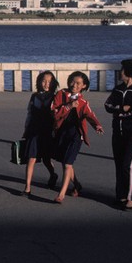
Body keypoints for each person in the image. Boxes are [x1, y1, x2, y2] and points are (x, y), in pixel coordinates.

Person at [51, 71, 104, 204]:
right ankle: (77, 185)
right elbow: (54, 113)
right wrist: (68, 106)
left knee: (68, 164)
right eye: (72, 81)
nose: (74, 85)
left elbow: (90, 115)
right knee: (65, 162)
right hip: (62, 133)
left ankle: (61, 194)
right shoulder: (61, 94)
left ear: (83, 86)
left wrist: (97, 126)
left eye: (78, 83)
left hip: (76, 135)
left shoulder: (83, 102)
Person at [104, 58, 132, 210]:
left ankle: (130, 198)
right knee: (118, 165)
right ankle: (120, 196)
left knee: (127, 165)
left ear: (129, 73)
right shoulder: (117, 90)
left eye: (122, 70)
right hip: (117, 133)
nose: (120, 72)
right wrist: (123, 108)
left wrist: (119, 111)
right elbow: (107, 105)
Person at [20, 71, 59, 196]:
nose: (46, 84)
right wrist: (26, 129)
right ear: (39, 81)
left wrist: (55, 131)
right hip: (34, 131)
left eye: (49, 81)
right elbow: (29, 114)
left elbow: (57, 116)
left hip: (47, 132)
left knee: (46, 159)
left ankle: (53, 175)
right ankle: (27, 188)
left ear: (53, 83)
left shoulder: (55, 97)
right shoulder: (34, 96)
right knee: (31, 158)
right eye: (43, 81)